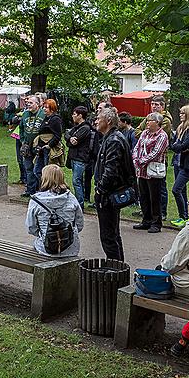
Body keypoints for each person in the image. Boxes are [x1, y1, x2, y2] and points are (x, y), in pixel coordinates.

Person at [93, 108, 135, 261]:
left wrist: (100, 190)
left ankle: (115, 270)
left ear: (108, 121)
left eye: (99, 118)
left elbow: (111, 170)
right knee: (113, 234)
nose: (96, 121)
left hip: (108, 195)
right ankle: (117, 267)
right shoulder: (111, 138)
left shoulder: (114, 140)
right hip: (109, 193)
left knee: (109, 236)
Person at [26, 164, 83, 257]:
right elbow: (80, 224)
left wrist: (43, 233)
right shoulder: (71, 198)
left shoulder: (36, 200)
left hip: (46, 248)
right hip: (71, 248)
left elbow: (31, 227)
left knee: (36, 243)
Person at [132, 112, 169, 233]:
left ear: (157, 122)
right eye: (147, 120)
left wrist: (141, 161)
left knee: (155, 197)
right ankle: (146, 220)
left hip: (153, 170)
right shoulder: (144, 133)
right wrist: (135, 158)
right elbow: (137, 147)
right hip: (142, 171)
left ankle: (156, 223)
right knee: (144, 196)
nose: (147, 122)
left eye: (150, 120)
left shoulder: (162, 136)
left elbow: (156, 152)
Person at [64, 106, 92, 208]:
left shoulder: (85, 128)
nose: (73, 116)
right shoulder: (76, 127)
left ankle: (79, 204)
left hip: (80, 158)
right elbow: (66, 134)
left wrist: (70, 140)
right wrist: (70, 138)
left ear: (80, 115)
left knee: (77, 181)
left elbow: (74, 142)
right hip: (74, 156)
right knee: (75, 180)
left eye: (74, 114)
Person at [19, 96, 45, 196]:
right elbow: (21, 128)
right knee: (28, 168)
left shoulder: (43, 114)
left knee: (38, 170)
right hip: (27, 145)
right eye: (28, 103)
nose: (28, 104)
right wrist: (22, 140)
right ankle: (30, 190)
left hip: (39, 145)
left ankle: (41, 190)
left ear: (38, 104)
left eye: (31, 103)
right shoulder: (25, 114)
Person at [33, 98, 63, 183]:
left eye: (46, 107)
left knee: (49, 172)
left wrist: (49, 145)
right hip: (42, 149)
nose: (44, 109)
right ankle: (43, 188)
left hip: (49, 150)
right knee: (37, 171)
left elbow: (58, 135)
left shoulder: (55, 119)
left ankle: (50, 189)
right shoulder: (46, 118)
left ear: (52, 109)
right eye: (44, 107)